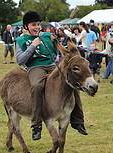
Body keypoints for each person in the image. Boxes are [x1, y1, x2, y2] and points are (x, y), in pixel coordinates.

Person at [15, 11, 88, 141]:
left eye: (38, 24)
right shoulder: (21, 40)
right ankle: (36, 124)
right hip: (35, 67)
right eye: (33, 25)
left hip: (52, 65)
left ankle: (78, 120)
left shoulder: (48, 36)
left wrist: (57, 43)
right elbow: (20, 60)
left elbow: (57, 51)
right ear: (26, 26)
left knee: (72, 82)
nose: (37, 27)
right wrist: (32, 46)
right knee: (37, 86)